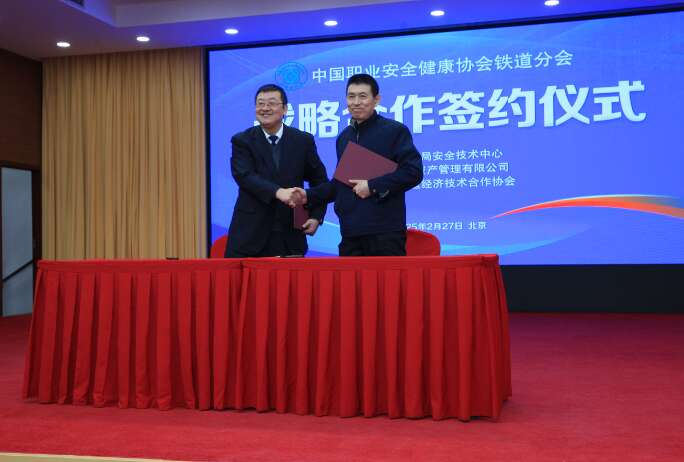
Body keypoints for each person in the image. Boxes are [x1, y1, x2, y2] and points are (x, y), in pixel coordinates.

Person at [299, 74, 423, 256]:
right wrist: (308, 195)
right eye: (351, 96)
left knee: (386, 276)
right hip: (350, 232)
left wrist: (372, 186)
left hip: (385, 231)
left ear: (376, 100)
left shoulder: (394, 131)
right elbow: (340, 184)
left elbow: (413, 172)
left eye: (363, 96)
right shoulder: (344, 137)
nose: (356, 102)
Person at [224, 84, 328, 257]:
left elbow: (320, 181)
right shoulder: (242, 140)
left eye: (271, 103)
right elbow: (245, 176)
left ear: (285, 109)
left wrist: (316, 216)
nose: (265, 108)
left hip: (291, 233)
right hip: (250, 234)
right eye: (260, 103)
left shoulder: (302, 141)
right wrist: (278, 192)